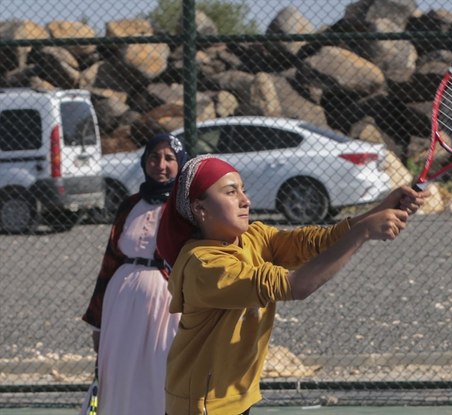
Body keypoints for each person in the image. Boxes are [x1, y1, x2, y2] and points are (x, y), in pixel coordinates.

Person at [156, 155, 428, 415]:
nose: (245, 200)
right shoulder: (204, 265)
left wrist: (381, 209)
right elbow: (296, 285)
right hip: (203, 402)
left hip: (236, 394)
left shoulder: (253, 237)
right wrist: (364, 231)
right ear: (200, 208)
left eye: (243, 190)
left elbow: (315, 242)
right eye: (230, 192)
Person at [80, 133, 188, 415]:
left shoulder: (186, 209)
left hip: (167, 305)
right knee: (119, 369)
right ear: (144, 161)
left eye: (169, 158)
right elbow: (109, 263)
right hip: (121, 305)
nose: (160, 165)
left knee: (159, 368)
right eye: (154, 157)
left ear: (181, 163)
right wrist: (98, 324)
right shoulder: (130, 204)